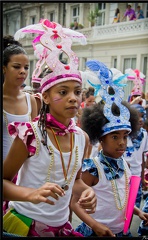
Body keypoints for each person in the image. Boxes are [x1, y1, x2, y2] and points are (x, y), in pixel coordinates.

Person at [3, 19, 97, 237]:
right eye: (63, 92)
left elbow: (76, 181)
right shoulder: (30, 134)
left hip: (60, 226)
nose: (73, 98)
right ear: (44, 97)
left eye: (77, 91)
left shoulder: (81, 138)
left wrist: (87, 191)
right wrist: (30, 194)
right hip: (26, 224)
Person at [71, 60, 148, 237]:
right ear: (101, 137)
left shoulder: (125, 164)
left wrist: (138, 212)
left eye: (125, 136)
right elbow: (74, 202)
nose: (122, 143)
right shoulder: (93, 168)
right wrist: (95, 225)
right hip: (96, 233)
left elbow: (123, 199)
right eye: (115, 137)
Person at [3, 35, 37, 161]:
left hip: (24, 172)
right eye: (17, 67)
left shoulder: (31, 100)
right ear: (4, 68)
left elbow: (35, 140)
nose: (23, 71)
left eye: (26, 67)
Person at [124, 104, 148, 209]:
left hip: (137, 178)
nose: (140, 119)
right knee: (122, 207)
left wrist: (143, 178)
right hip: (123, 177)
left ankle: (128, 226)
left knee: (133, 208)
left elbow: (142, 157)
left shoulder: (144, 134)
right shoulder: (124, 133)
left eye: (142, 115)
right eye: (137, 116)